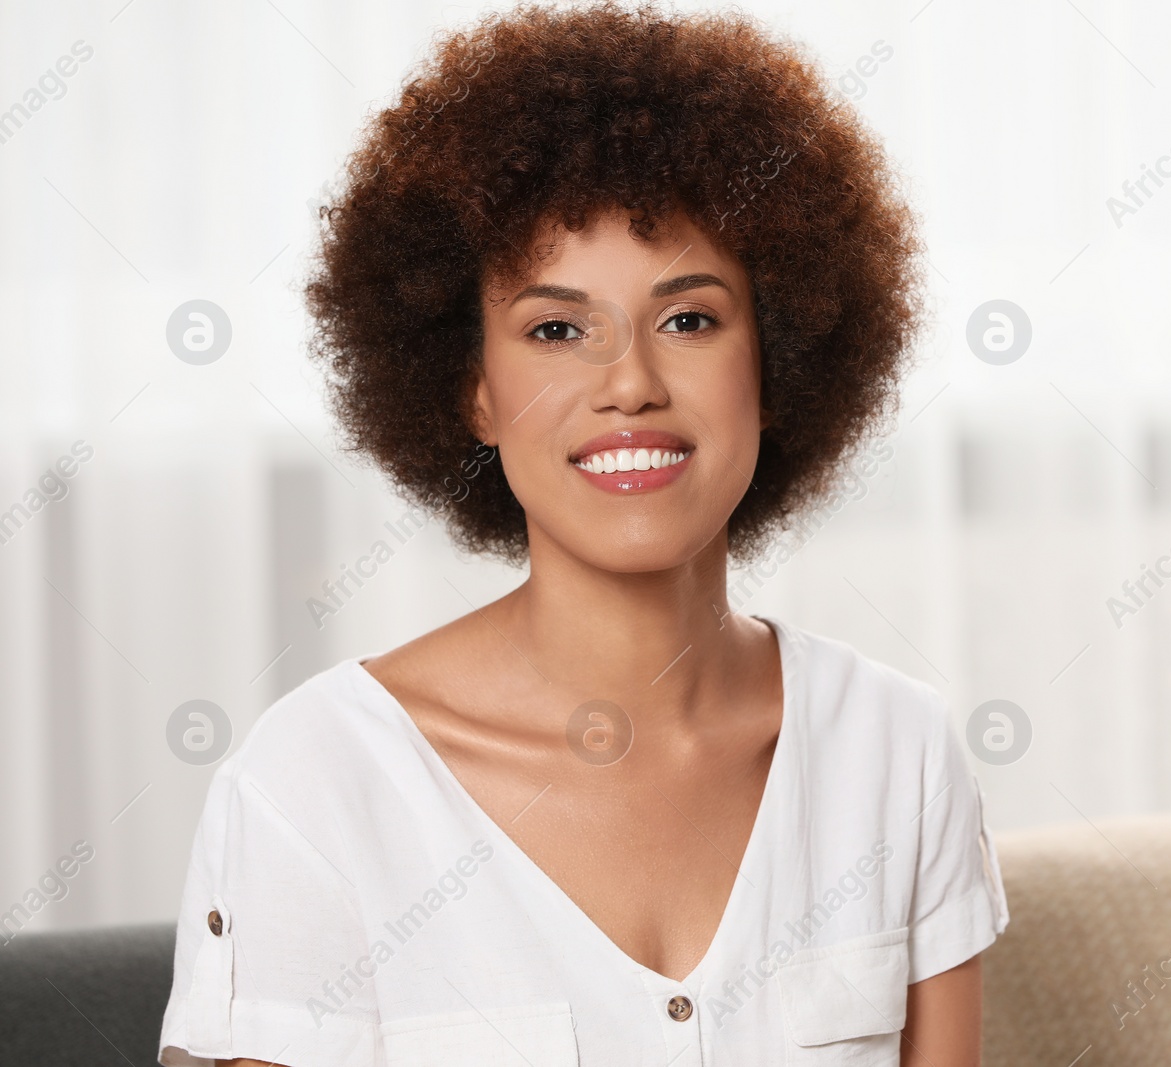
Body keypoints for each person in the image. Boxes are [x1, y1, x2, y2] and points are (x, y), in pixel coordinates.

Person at [157, 3, 1008, 1064]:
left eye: (689, 318)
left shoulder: (897, 752)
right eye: (556, 329)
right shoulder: (315, 785)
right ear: (470, 388)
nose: (632, 384)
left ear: (775, 359)